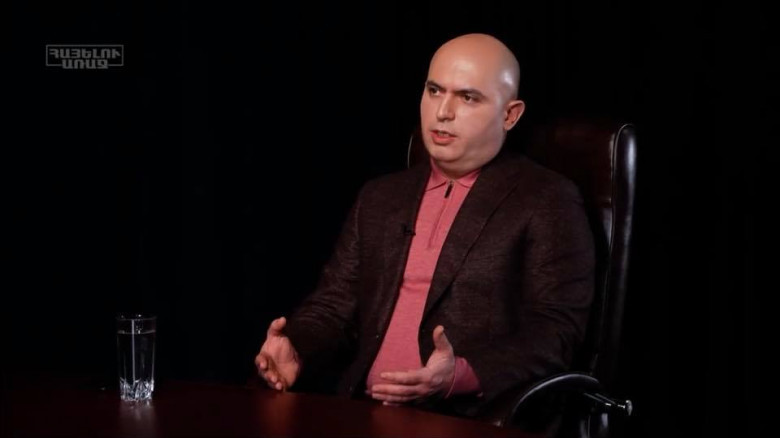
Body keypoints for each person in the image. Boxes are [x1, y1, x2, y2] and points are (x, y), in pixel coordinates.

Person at [255, 33, 595, 417]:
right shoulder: (380, 197)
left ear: (510, 115)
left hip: (469, 419)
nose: (443, 112)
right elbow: (333, 307)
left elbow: (556, 332)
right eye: (434, 91)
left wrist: (458, 375)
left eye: (468, 98)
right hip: (360, 411)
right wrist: (297, 348)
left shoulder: (547, 199)